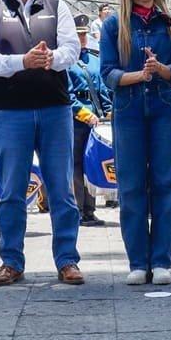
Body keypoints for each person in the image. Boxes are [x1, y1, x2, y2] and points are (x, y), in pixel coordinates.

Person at [0, 0, 83, 287]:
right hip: (10, 113)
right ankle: (11, 261)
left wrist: (49, 59)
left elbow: (72, 50)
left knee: (61, 189)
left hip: (55, 110)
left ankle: (67, 260)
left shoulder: (56, 6)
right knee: (12, 191)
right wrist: (23, 61)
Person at [100, 0, 171, 285]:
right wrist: (139, 75)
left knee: (166, 183)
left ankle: (161, 260)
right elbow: (107, 73)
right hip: (128, 112)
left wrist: (164, 71)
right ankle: (138, 262)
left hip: (164, 109)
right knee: (132, 185)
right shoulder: (114, 25)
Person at [70, 13, 105, 227]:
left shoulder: (94, 59)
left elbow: (102, 89)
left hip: (96, 118)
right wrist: (85, 114)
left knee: (91, 164)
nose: (82, 39)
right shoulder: (66, 61)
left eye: (84, 35)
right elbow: (67, 95)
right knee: (76, 166)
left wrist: (108, 112)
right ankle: (78, 209)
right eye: (77, 35)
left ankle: (90, 209)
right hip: (77, 119)